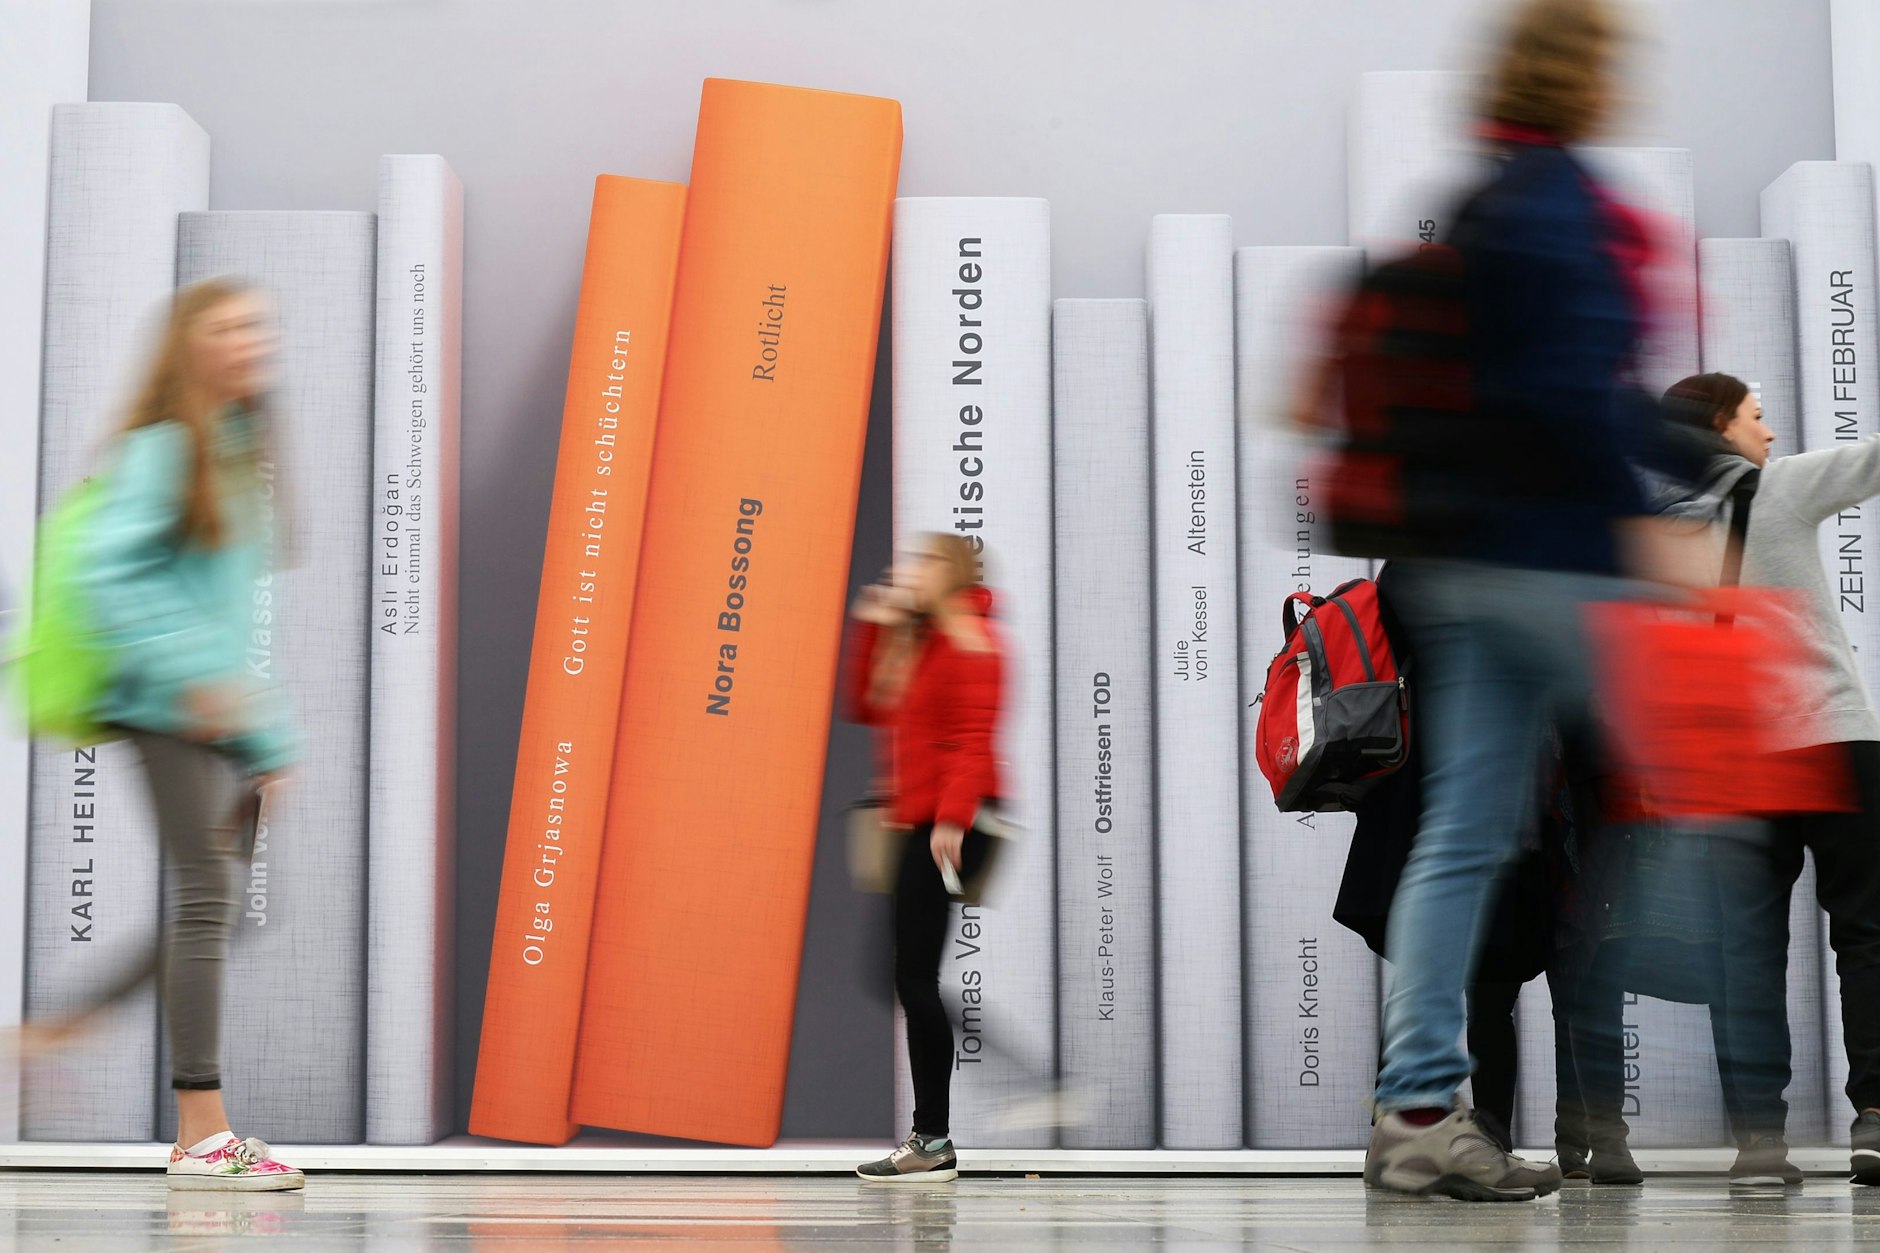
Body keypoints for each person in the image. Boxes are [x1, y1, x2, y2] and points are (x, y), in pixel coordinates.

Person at [1360, 0, 1670, 1201]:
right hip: (1545, 558)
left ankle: (1420, 1109)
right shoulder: (1563, 206)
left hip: (1445, 565)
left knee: (1461, 836)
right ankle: (1706, 1090)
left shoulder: (1486, 197)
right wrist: (1645, 518)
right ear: (1586, 76)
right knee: (1708, 783)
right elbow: (1570, 391)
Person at [24, 280, 303, 1191]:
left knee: (218, 905)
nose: (250, 338)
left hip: (217, 714)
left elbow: (225, 613)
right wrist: (198, 676)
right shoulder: (163, 447)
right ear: (189, 346)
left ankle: (58, 1027)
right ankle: (202, 1136)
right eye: (228, 326)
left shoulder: (235, 445)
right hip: (166, 705)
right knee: (207, 897)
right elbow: (112, 578)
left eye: (256, 323)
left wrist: (270, 736)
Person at [1653, 371, 1880, 1186]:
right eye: (1756, 415)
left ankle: (1757, 1141)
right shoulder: (1778, 489)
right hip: (1830, 737)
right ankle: (1878, 1120)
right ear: (1721, 424)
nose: (1770, 432)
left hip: (1731, 761)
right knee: (1866, 930)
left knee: (1744, 950)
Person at [842, 533, 1005, 1184]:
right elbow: (868, 704)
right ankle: (935, 1134)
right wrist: (874, 627)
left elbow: (972, 737)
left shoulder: (972, 637)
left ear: (952, 571)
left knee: (912, 976)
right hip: (914, 822)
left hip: (947, 824)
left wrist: (950, 817)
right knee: (903, 974)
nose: (911, 570)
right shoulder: (924, 636)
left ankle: (933, 1138)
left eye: (925, 561)